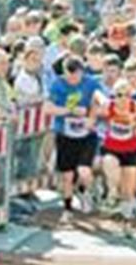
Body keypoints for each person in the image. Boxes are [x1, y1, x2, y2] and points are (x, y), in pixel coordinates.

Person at [44, 57, 104, 222]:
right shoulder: (57, 84)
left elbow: (101, 103)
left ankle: (86, 191)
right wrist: (69, 110)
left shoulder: (91, 83)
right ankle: (68, 208)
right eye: (69, 77)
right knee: (67, 176)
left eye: (76, 77)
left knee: (84, 170)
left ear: (81, 72)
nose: (72, 81)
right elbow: (47, 108)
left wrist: (91, 117)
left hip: (87, 134)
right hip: (65, 133)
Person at [98, 78, 136, 237]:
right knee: (110, 165)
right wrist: (91, 120)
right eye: (119, 95)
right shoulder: (108, 105)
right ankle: (112, 192)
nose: (122, 99)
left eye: (126, 95)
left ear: (131, 96)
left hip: (130, 150)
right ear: (113, 95)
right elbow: (95, 102)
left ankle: (127, 223)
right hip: (111, 148)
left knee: (128, 190)